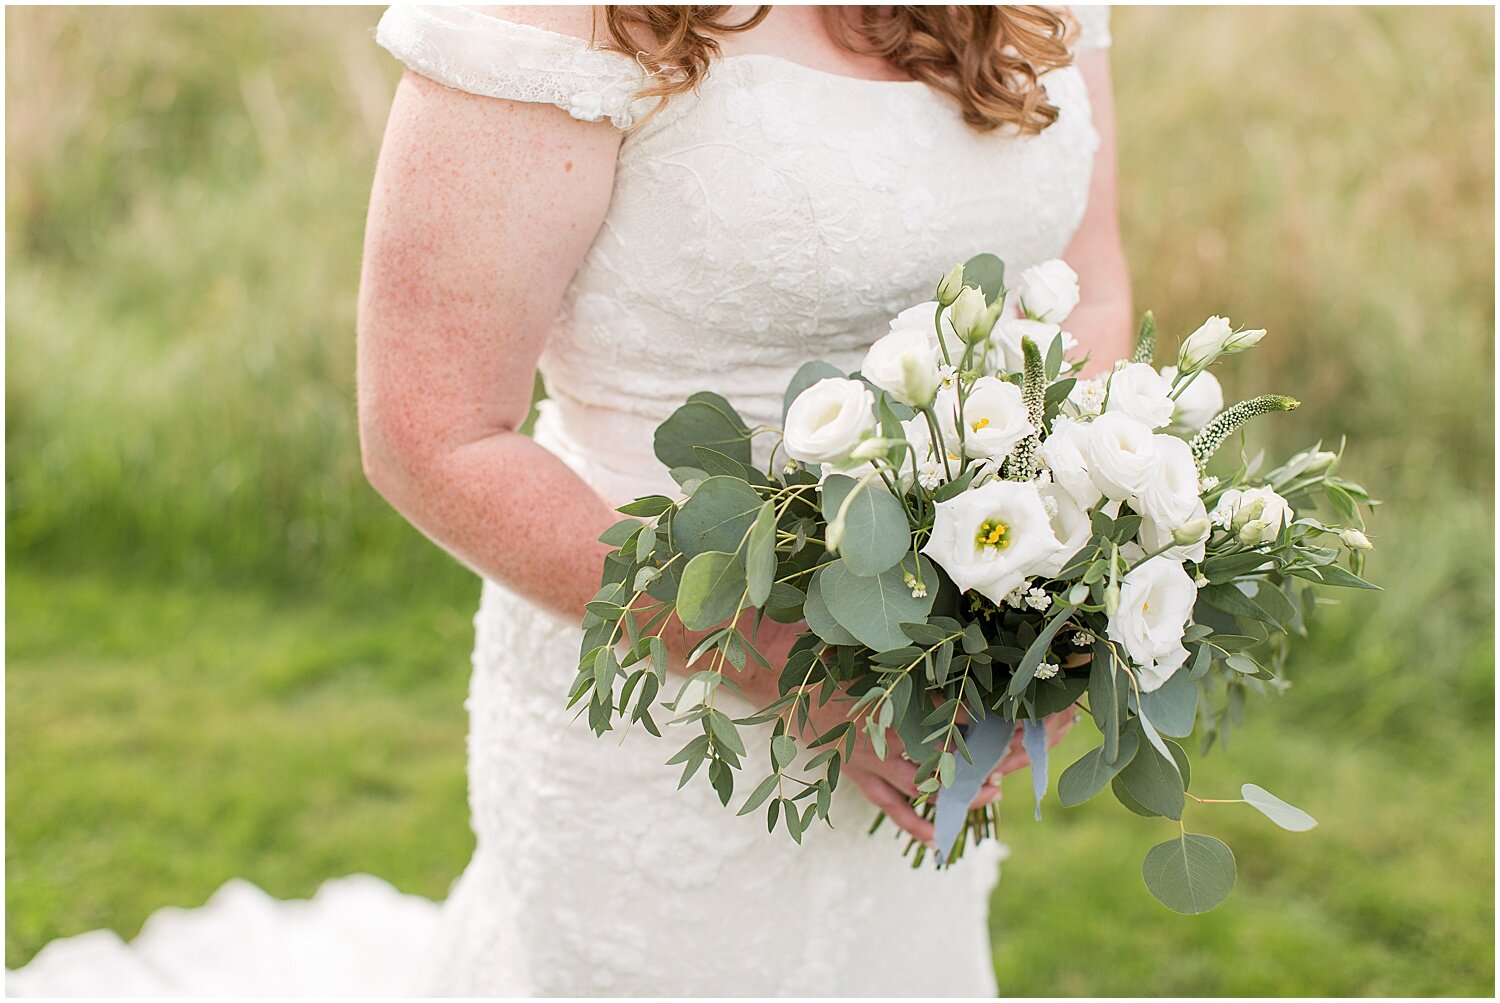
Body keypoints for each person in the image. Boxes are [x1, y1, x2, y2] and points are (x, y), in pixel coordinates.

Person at [9, 5, 1129, 996]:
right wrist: (788, 665)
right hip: (672, 722)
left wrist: (1036, 611)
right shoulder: (553, 19)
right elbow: (429, 432)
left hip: (935, 709)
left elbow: (1088, 271)